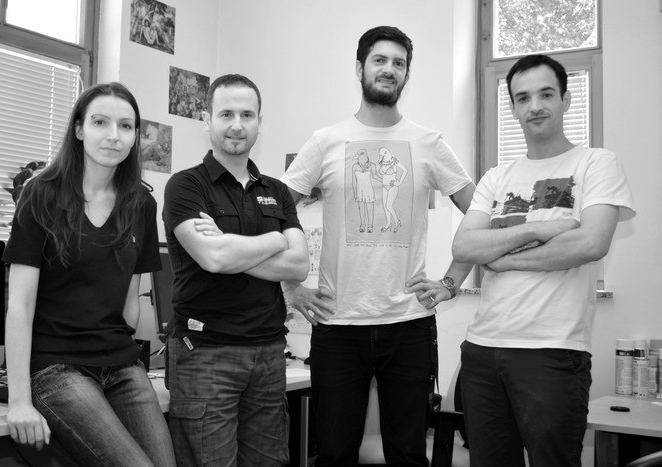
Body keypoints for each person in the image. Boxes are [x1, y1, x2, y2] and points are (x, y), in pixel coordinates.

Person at [281, 26, 475, 466]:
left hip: (409, 324)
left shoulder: (429, 143)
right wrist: (290, 288)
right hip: (337, 324)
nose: (389, 69)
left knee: (408, 454)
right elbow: (274, 214)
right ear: (360, 68)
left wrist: (450, 282)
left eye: (398, 63)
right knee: (333, 454)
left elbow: (479, 214)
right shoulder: (325, 141)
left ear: (407, 74)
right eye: (380, 60)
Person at [452, 54, 635, 467]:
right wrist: (538, 230)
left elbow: (590, 243)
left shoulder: (596, 163)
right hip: (482, 350)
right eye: (523, 98)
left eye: (546, 94)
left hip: (552, 351)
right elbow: (464, 248)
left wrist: (503, 258)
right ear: (513, 108)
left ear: (566, 100)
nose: (534, 106)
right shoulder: (495, 177)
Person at [3, 82, 176, 467]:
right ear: (79, 129)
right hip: (57, 367)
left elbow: (130, 302)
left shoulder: (141, 204)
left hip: (122, 365)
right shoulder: (40, 194)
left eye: (125, 126)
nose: (114, 135)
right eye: (100, 122)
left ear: (135, 137)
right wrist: (19, 401)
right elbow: (19, 305)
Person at [162, 74, 309, 467]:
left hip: (269, 354)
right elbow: (214, 259)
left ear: (260, 122)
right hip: (205, 354)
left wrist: (229, 247)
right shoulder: (185, 186)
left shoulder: (277, 190)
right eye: (226, 114)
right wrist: (276, 239)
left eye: (247, 114)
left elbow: (299, 265)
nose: (237, 125)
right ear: (207, 120)